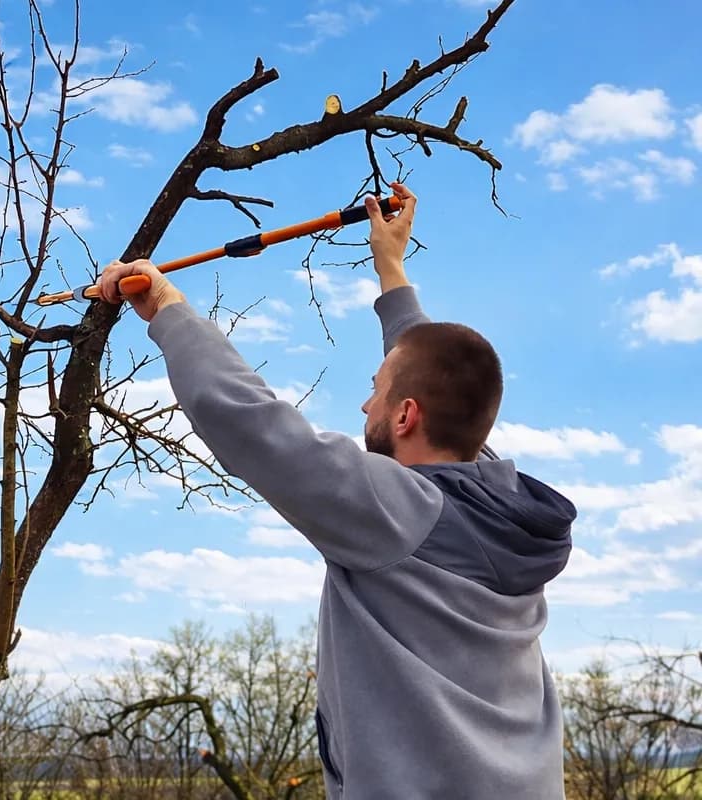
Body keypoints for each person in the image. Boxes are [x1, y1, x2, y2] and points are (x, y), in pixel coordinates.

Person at [95, 183, 576, 800]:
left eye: (375, 389)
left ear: (404, 416)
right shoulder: (504, 510)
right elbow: (441, 383)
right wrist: (391, 271)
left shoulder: (398, 513)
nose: (363, 401)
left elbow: (253, 423)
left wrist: (165, 303)